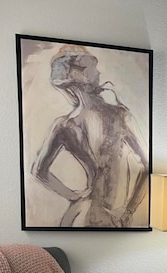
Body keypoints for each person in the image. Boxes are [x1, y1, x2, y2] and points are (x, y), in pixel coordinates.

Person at [31, 44, 148, 228]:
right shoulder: (120, 115)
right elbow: (147, 164)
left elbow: (38, 170)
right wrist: (128, 211)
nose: (99, 73)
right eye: (93, 68)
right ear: (80, 75)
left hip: (84, 213)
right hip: (100, 215)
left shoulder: (65, 125)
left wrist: (74, 197)